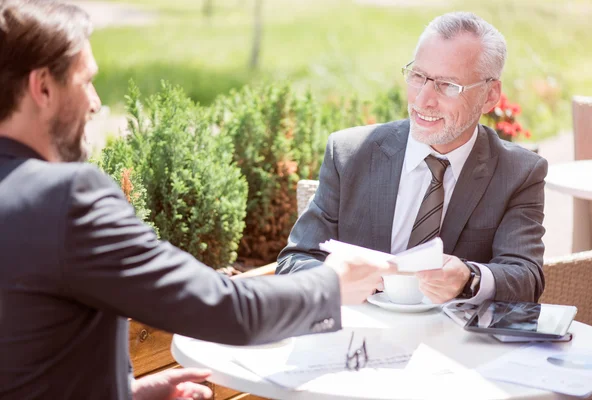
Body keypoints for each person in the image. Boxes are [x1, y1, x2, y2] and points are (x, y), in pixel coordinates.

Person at [0, 1, 397, 399]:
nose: (96, 102)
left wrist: (126, 392)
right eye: (86, 81)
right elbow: (226, 309)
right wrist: (330, 285)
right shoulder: (65, 199)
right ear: (43, 87)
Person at [277, 12, 547, 306]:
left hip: (455, 347)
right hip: (359, 339)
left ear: (490, 95)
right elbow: (296, 260)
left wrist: (470, 279)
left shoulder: (518, 172)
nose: (422, 100)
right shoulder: (349, 153)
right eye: (418, 76)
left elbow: (526, 279)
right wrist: (331, 281)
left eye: (447, 85)